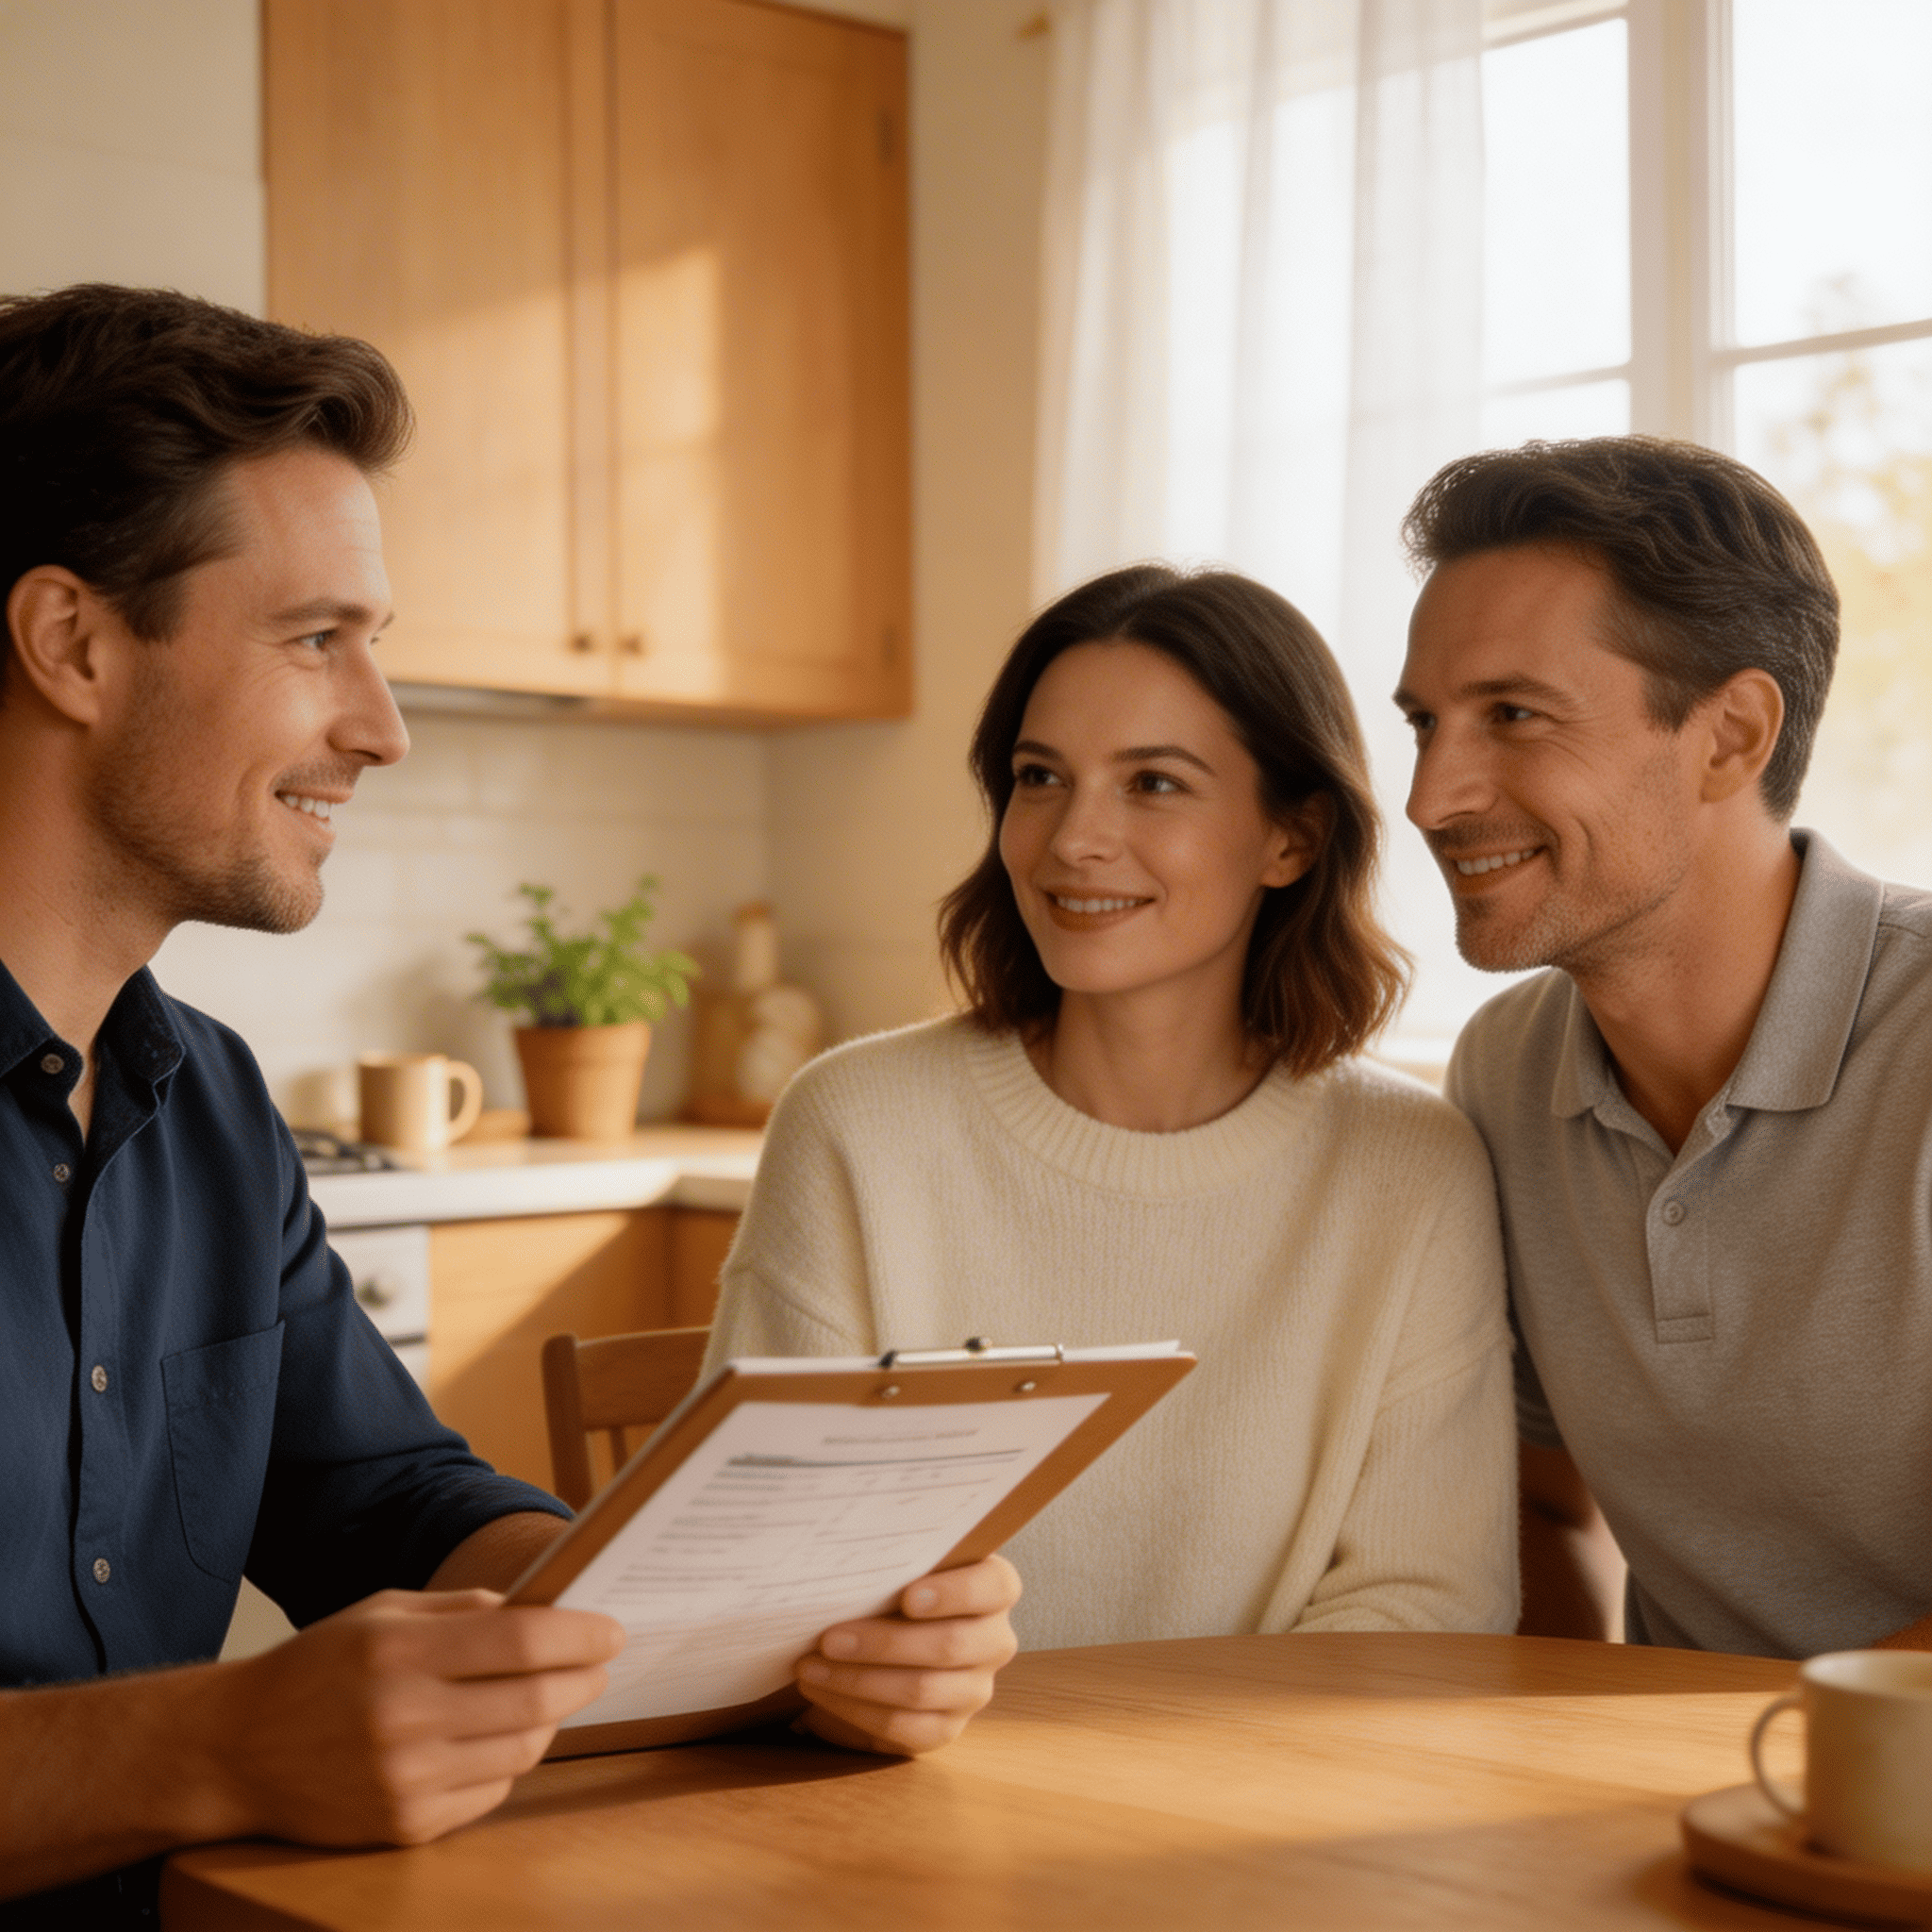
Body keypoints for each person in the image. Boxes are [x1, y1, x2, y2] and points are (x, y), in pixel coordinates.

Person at [0, 284, 1017, 1919]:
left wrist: (748, 1627)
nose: (381, 726)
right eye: (315, 636)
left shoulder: (206, 1102)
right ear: (74, 644)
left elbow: (378, 1497)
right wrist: (216, 1745)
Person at [705, 564, 1518, 1650]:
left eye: (1153, 783)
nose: (1071, 838)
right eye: (1039, 776)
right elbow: (758, 1579)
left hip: (1267, 1800)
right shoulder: (855, 1124)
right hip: (904, 1789)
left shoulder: (1410, 1165)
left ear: (1292, 839)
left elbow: (1428, 1606)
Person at [1395, 433, 1932, 1658]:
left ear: (1732, 736)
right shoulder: (1505, 1074)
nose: (1431, 797)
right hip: (1680, 1811)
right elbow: (1544, 1503)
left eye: (1514, 716)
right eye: (1427, 723)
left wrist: (1766, 1785)